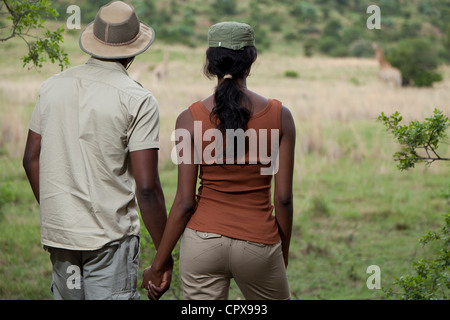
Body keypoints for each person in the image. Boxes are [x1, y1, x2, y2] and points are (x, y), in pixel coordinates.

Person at [22, 1, 171, 300]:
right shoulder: (137, 99)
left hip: (62, 237)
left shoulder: (52, 86)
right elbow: (147, 188)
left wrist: (61, 213)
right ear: (134, 49)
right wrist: (163, 256)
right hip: (110, 240)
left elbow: (30, 159)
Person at [143, 21, 295, 300]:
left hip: (202, 244)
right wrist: (279, 255)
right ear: (251, 60)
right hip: (258, 241)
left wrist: (158, 264)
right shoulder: (281, 116)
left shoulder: (187, 119)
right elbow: (283, 199)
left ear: (210, 63)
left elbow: (185, 202)